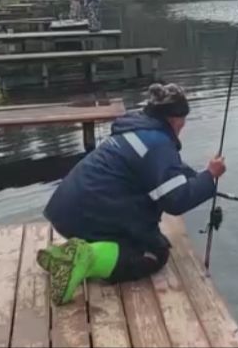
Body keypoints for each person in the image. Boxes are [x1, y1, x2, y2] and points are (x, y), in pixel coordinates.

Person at [37, 83, 227, 305]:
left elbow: (168, 170)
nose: (183, 125)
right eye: (183, 119)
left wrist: (200, 176)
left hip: (66, 214)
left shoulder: (137, 129)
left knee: (147, 235)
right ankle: (88, 258)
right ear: (175, 119)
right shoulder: (158, 144)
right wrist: (210, 177)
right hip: (87, 219)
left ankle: (64, 255)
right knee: (155, 252)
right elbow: (177, 201)